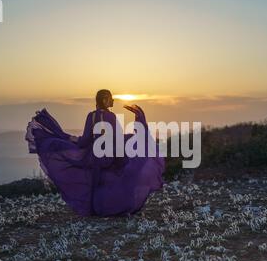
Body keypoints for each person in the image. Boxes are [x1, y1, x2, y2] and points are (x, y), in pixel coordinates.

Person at [25, 89, 165, 217]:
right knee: (120, 177)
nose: (113, 101)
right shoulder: (111, 117)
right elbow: (117, 138)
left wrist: (66, 138)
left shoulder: (91, 117)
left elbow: (84, 141)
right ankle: (116, 207)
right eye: (110, 98)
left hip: (95, 157)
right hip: (111, 154)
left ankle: (99, 209)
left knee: (98, 184)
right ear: (104, 100)